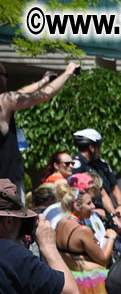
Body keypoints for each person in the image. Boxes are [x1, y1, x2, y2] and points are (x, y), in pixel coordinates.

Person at [0, 61, 80, 199]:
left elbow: (21, 93)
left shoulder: (5, 100)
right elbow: (44, 95)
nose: (6, 78)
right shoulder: (4, 101)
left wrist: (43, 81)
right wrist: (68, 72)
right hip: (6, 183)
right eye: (4, 75)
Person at [69, 128, 121, 218]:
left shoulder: (101, 164)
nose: (100, 150)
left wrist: (120, 206)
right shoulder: (77, 165)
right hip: (89, 212)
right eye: (99, 146)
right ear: (91, 148)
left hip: (106, 210)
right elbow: (73, 194)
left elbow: (114, 186)